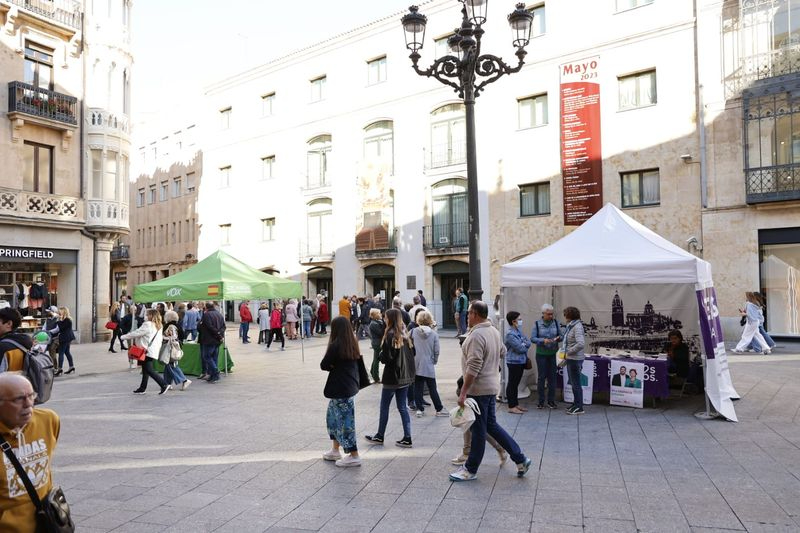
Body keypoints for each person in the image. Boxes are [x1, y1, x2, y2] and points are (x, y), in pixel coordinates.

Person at [450, 300, 532, 482]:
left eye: (469, 313)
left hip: (478, 389)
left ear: (475, 314)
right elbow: (502, 352)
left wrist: (463, 392)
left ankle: (470, 469)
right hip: (490, 386)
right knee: (490, 426)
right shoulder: (493, 331)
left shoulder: (477, 335)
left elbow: (473, 367)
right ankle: (520, 458)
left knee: (478, 430)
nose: (467, 316)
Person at [0, 373, 60, 531]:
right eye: (18, 399)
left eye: (31, 395)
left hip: (47, 523)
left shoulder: (49, 420)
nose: (28, 404)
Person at [364, 308, 415, 448]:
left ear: (390, 319)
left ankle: (380, 435)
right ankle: (407, 437)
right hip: (404, 377)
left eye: (386, 317)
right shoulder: (405, 334)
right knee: (402, 407)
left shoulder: (390, 335)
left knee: (384, 407)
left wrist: (381, 356)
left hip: (393, 377)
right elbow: (412, 353)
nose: (384, 319)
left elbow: (387, 358)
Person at [321, 316, 363, 467]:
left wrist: (333, 366)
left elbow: (324, 364)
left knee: (345, 423)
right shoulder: (352, 342)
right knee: (333, 419)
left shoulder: (336, 345)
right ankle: (335, 449)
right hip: (349, 387)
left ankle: (354, 454)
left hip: (340, 389)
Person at [122, 308, 170, 394]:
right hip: (152, 350)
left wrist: (124, 337)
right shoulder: (158, 325)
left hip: (146, 350)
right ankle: (142, 388)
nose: (146, 316)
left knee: (149, 370)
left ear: (151, 316)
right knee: (145, 370)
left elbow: (137, 333)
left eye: (147, 314)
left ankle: (163, 384)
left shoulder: (148, 324)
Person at [411, 311, 446, 418]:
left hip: (416, 362)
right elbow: (437, 350)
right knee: (432, 387)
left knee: (418, 387)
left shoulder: (413, 331)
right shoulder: (434, 334)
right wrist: (434, 361)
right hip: (428, 363)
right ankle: (439, 408)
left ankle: (419, 409)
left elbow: (408, 346)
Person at [531, 304, 560, 409]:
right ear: (543, 314)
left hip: (553, 354)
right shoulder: (537, 324)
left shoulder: (556, 323)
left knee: (552, 378)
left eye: (552, 314)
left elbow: (561, 335)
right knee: (541, 377)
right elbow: (533, 338)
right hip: (541, 354)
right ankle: (541, 401)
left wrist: (558, 338)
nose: (551, 316)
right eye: (548, 314)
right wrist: (543, 340)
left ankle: (551, 401)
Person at [504, 311, 531, 415]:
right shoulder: (510, 334)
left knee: (515, 384)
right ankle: (511, 406)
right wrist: (524, 344)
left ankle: (515, 404)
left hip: (520, 361)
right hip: (513, 362)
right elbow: (520, 348)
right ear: (513, 321)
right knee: (512, 383)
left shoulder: (518, 331)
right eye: (519, 319)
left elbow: (527, 342)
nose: (521, 321)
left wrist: (524, 344)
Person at [562, 306, 586, 415]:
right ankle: (576, 403)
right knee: (574, 383)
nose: (565, 317)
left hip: (574, 359)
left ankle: (579, 407)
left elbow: (581, 343)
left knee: (576, 384)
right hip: (572, 358)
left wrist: (568, 352)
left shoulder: (577, 327)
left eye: (566, 315)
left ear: (570, 316)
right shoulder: (572, 326)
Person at [161, 310, 191, 391]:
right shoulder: (176, 325)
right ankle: (167, 383)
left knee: (170, 365)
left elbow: (174, 337)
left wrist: (163, 338)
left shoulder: (171, 326)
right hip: (173, 347)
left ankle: (184, 380)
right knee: (168, 365)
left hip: (170, 348)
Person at [198, 302, 225, 383]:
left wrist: (218, 334)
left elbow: (209, 327)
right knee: (214, 357)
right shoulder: (219, 314)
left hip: (209, 339)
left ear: (206, 307)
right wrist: (220, 335)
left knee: (207, 356)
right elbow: (224, 326)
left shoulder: (206, 315)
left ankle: (215, 372)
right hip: (216, 340)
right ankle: (212, 375)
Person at [49, 307, 76, 377]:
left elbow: (60, 327)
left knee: (61, 353)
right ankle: (71, 367)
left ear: (64, 312)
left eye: (60, 312)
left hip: (65, 338)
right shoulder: (63, 320)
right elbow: (57, 329)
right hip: (67, 338)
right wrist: (49, 332)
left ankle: (59, 369)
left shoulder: (67, 320)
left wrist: (58, 320)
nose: (59, 313)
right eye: (58, 312)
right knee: (67, 352)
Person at [367, 308, 385, 383]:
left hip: (377, 342)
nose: (380, 314)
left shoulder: (376, 322)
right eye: (379, 313)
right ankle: (376, 377)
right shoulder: (373, 324)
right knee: (377, 359)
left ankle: (373, 372)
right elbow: (381, 333)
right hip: (377, 343)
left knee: (376, 359)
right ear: (375, 315)